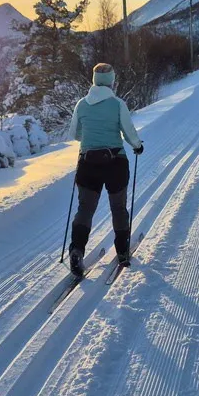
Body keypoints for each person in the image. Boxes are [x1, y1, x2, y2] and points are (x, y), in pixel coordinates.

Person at [67, 62, 143, 275]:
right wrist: (137, 146)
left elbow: (75, 134)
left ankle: (77, 250)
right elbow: (128, 132)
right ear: (111, 81)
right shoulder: (117, 104)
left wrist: (90, 140)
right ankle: (122, 251)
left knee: (85, 209)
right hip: (115, 162)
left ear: (93, 80)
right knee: (118, 207)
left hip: (87, 163)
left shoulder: (81, 104)